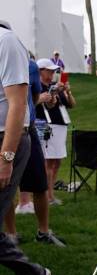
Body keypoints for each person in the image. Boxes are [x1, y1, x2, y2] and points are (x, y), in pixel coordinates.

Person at [0, 20, 51, 275]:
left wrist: (6, 157)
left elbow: (19, 103)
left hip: (9, 139)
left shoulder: (6, 42)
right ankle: (32, 274)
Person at [3, 53, 66, 246]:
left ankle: (43, 231)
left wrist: (47, 100)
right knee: (5, 186)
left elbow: (34, 96)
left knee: (39, 183)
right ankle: (11, 234)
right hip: (3, 130)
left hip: (26, 130)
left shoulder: (29, 65)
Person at [35, 58, 75, 205]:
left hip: (60, 125)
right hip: (45, 125)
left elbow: (71, 104)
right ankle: (46, 195)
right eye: (49, 70)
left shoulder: (54, 86)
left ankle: (50, 194)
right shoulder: (36, 86)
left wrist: (67, 91)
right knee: (48, 162)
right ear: (40, 71)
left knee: (56, 162)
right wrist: (44, 97)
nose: (52, 73)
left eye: (53, 71)